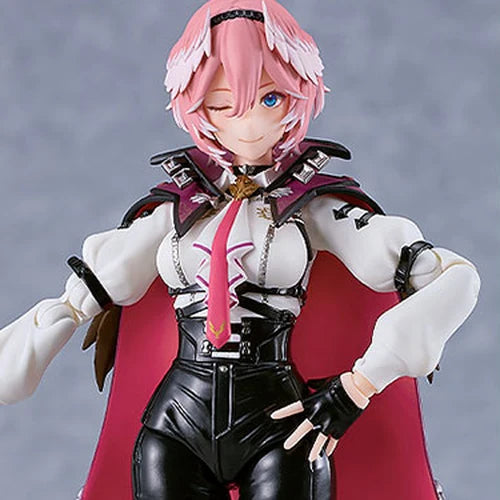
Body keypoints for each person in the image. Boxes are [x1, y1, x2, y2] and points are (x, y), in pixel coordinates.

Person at [0, 1, 480, 499]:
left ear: (299, 94)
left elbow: (453, 278)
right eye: (223, 105)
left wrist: (358, 387)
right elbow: (88, 291)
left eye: (269, 99)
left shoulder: (314, 205)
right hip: (176, 422)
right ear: (195, 108)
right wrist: (34, 342)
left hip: (281, 425)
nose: (248, 123)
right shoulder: (176, 209)